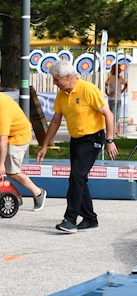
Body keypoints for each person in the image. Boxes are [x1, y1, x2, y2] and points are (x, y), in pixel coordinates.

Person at [37, 59, 118, 233]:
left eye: (56, 79)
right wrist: (44, 145)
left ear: (67, 77)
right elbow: (56, 121)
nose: (54, 83)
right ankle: (89, 218)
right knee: (79, 178)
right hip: (77, 139)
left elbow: (108, 115)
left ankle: (70, 219)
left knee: (76, 177)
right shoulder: (62, 94)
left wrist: (109, 141)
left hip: (93, 138)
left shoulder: (88, 89)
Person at [0, 86, 47, 211]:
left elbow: (4, 141)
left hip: (18, 136)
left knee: (11, 171)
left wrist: (1, 164)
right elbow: (2, 138)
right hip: (5, 135)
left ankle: (38, 192)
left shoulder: (2, 113)